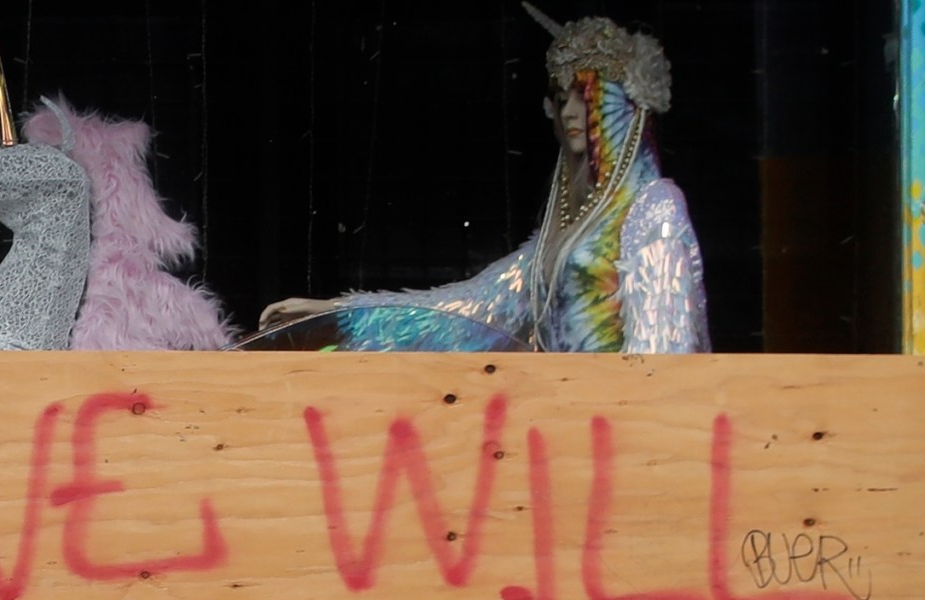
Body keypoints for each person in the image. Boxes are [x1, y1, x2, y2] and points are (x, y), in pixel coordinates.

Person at [257, 11, 706, 354]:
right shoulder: (561, 237)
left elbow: (663, 355)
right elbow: (469, 311)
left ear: (624, 106)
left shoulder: (655, 209)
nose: (569, 114)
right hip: (572, 428)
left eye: (585, 98)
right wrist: (339, 318)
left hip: (626, 438)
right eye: (560, 98)